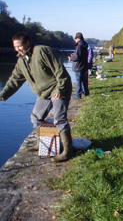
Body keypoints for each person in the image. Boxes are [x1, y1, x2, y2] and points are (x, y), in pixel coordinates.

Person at [0, 32, 73, 162]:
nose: (17, 49)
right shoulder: (21, 60)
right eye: (15, 47)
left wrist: (60, 88)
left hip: (58, 89)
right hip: (43, 93)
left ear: (27, 42)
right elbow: (14, 80)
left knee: (59, 119)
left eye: (19, 46)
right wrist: (3, 95)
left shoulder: (42, 51)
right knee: (35, 118)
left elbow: (59, 70)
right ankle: (40, 144)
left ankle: (67, 152)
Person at [69, 32, 89, 99]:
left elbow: (77, 57)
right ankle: (86, 93)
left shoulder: (79, 45)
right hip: (84, 66)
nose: (75, 40)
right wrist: (75, 54)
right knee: (84, 81)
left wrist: (71, 58)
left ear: (78, 38)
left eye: (75, 38)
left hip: (78, 67)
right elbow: (81, 55)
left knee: (78, 81)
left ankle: (78, 95)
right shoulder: (84, 45)